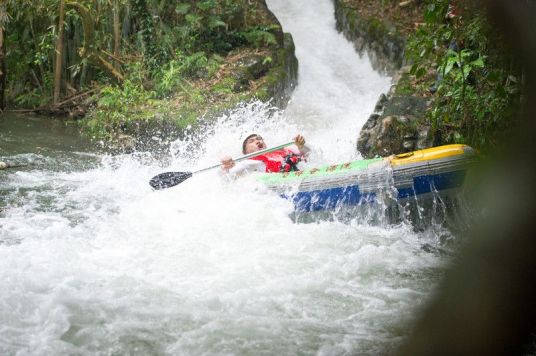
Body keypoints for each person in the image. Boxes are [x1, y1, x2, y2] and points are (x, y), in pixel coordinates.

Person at [220, 134, 310, 177]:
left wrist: (301, 145)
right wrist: (226, 168)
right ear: (245, 152)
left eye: (259, 139)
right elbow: (227, 177)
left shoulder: (282, 151)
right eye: (251, 141)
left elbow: (308, 153)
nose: (258, 141)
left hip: (302, 173)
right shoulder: (250, 163)